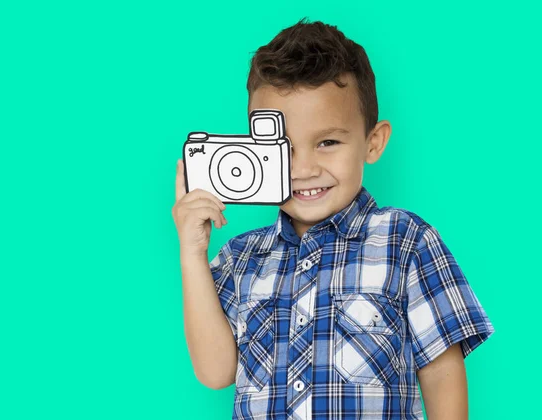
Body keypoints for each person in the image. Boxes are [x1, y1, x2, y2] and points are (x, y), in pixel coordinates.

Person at [172, 18, 495, 420]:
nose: (304, 168)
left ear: (372, 142)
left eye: (328, 142)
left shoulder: (406, 240)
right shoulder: (241, 257)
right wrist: (192, 251)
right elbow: (216, 371)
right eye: (282, 147)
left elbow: (442, 371)